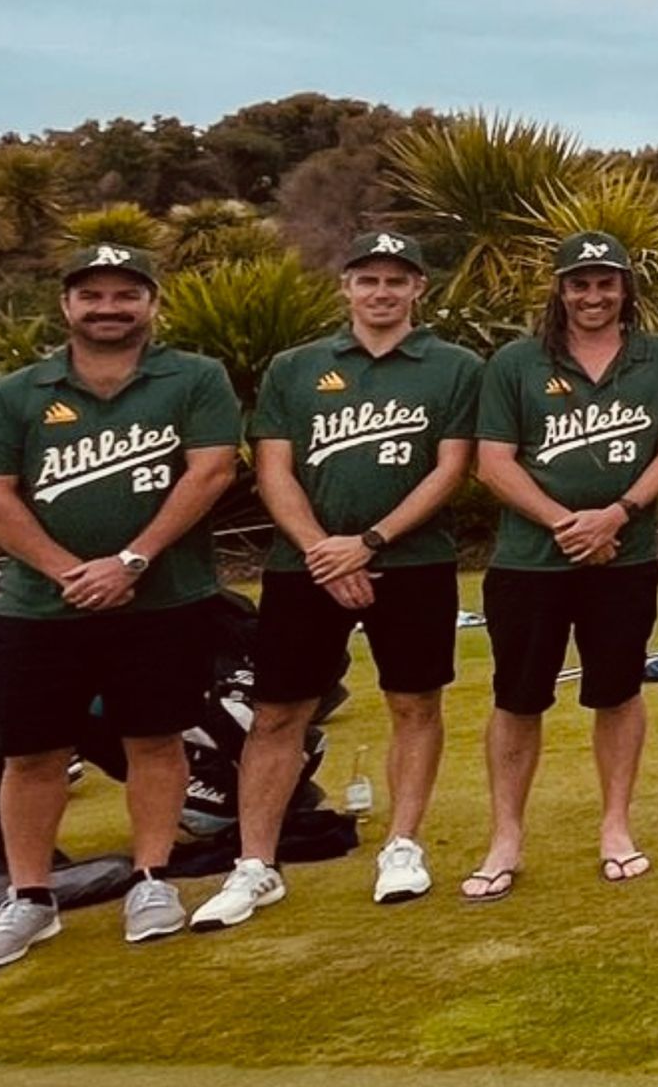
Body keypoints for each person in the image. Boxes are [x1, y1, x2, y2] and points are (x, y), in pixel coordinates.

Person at [189, 228, 483, 928]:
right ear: (346, 286)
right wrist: (324, 550)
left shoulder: (456, 366)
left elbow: (451, 469)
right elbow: (274, 469)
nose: (381, 292)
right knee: (277, 713)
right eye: (368, 279)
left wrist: (370, 542)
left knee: (415, 703)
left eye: (396, 279)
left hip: (412, 561)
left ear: (418, 288)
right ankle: (255, 866)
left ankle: (403, 846)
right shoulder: (296, 367)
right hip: (304, 567)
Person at [0, 242, 242, 970]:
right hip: (38, 607)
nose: (108, 308)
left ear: (152, 303)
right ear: (66, 305)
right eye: (92, 295)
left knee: (155, 740)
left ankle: (151, 880)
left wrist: (131, 561)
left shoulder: (194, 378)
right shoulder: (16, 392)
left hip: (163, 601)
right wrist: (70, 572)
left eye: (126, 294)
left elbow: (211, 471)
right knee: (33, 754)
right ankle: (29, 898)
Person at [461, 230, 658, 901]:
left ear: (625, 288)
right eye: (580, 283)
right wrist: (569, 525)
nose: (593, 296)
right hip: (531, 561)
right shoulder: (515, 361)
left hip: (625, 556)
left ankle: (616, 827)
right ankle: (506, 837)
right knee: (518, 697)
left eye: (605, 283)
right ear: (560, 290)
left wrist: (616, 515)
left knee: (617, 691)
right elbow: (493, 463)